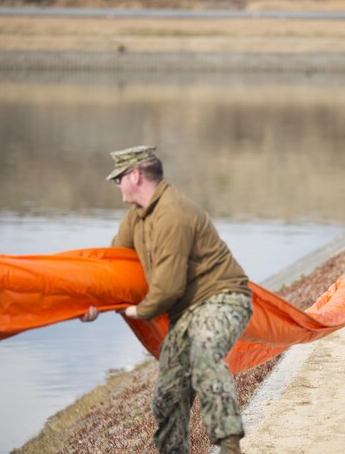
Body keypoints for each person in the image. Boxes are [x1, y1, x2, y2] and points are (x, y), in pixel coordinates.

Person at [81, 145, 253, 454]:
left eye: (118, 178)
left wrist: (138, 310)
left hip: (222, 299)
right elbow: (115, 267)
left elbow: (169, 287)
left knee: (204, 356)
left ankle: (229, 445)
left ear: (135, 175)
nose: (117, 185)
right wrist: (91, 304)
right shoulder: (136, 218)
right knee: (168, 395)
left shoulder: (174, 213)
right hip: (186, 312)